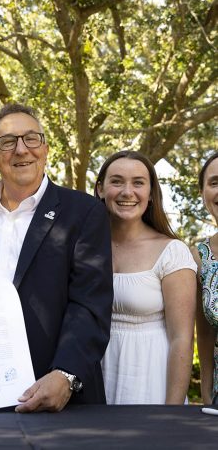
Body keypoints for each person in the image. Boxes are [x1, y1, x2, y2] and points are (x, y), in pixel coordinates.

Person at [0, 103, 113, 412]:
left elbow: (90, 304)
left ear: (45, 148)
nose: (22, 150)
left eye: (31, 138)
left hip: (65, 396)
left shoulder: (85, 212)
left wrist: (66, 375)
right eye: (8, 142)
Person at [95, 150, 196, 404]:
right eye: (117, 181)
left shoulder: (172, 252)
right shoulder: (82, 248)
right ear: (100, 189)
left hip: (150, 379)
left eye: (138, 183)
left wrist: (172, 411)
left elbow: (182, 338)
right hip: (94, 379)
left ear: (151, 194)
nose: (127, 192)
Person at [192, 151, 218, 405]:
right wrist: (208, 396)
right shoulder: (199, 257)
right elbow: (206, 335)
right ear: (203, 195)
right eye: (214, 182)